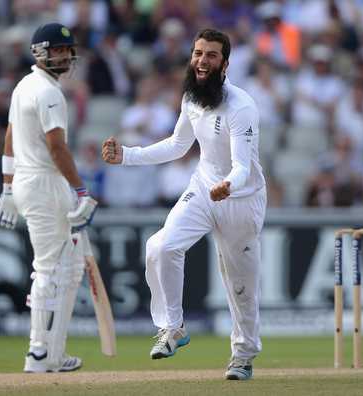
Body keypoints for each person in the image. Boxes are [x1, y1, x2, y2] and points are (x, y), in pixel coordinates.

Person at [102, 28, 266, 381]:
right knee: (160, 246)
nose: (202, 61)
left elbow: (242, 167)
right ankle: (172, 327)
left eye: (210, 55)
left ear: (225, 63)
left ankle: (243, 356)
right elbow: (178, 145)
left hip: (241, 198)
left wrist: (229, 185)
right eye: (198, 53)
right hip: (204, 187)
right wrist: (127, 156)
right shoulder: (191, 97)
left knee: (240, 286)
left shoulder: (242, 107)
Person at [0, 22, 98, 373]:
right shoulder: (49, 92)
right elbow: (57, 147)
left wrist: (8, 187)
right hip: (44, 182)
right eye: (57, 50)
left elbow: (10, 137)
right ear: (40, 51)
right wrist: (81, 190)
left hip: (29, 182)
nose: (65, 55)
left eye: (67, 50)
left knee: (67, 271)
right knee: (50, 268)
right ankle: (38, 352)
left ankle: (54, 352)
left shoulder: (24, 85)